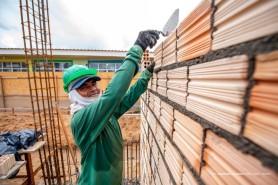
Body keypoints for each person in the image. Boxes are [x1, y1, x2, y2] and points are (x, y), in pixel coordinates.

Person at [62, 30, 160, 184]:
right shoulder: (81, 119)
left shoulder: (104, 113)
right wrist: (137, 50)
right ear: (74, 94)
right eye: (84, 87)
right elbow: (113, 95)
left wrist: (146, 75)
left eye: (93, 83)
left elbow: (125, 100)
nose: (93, 89)